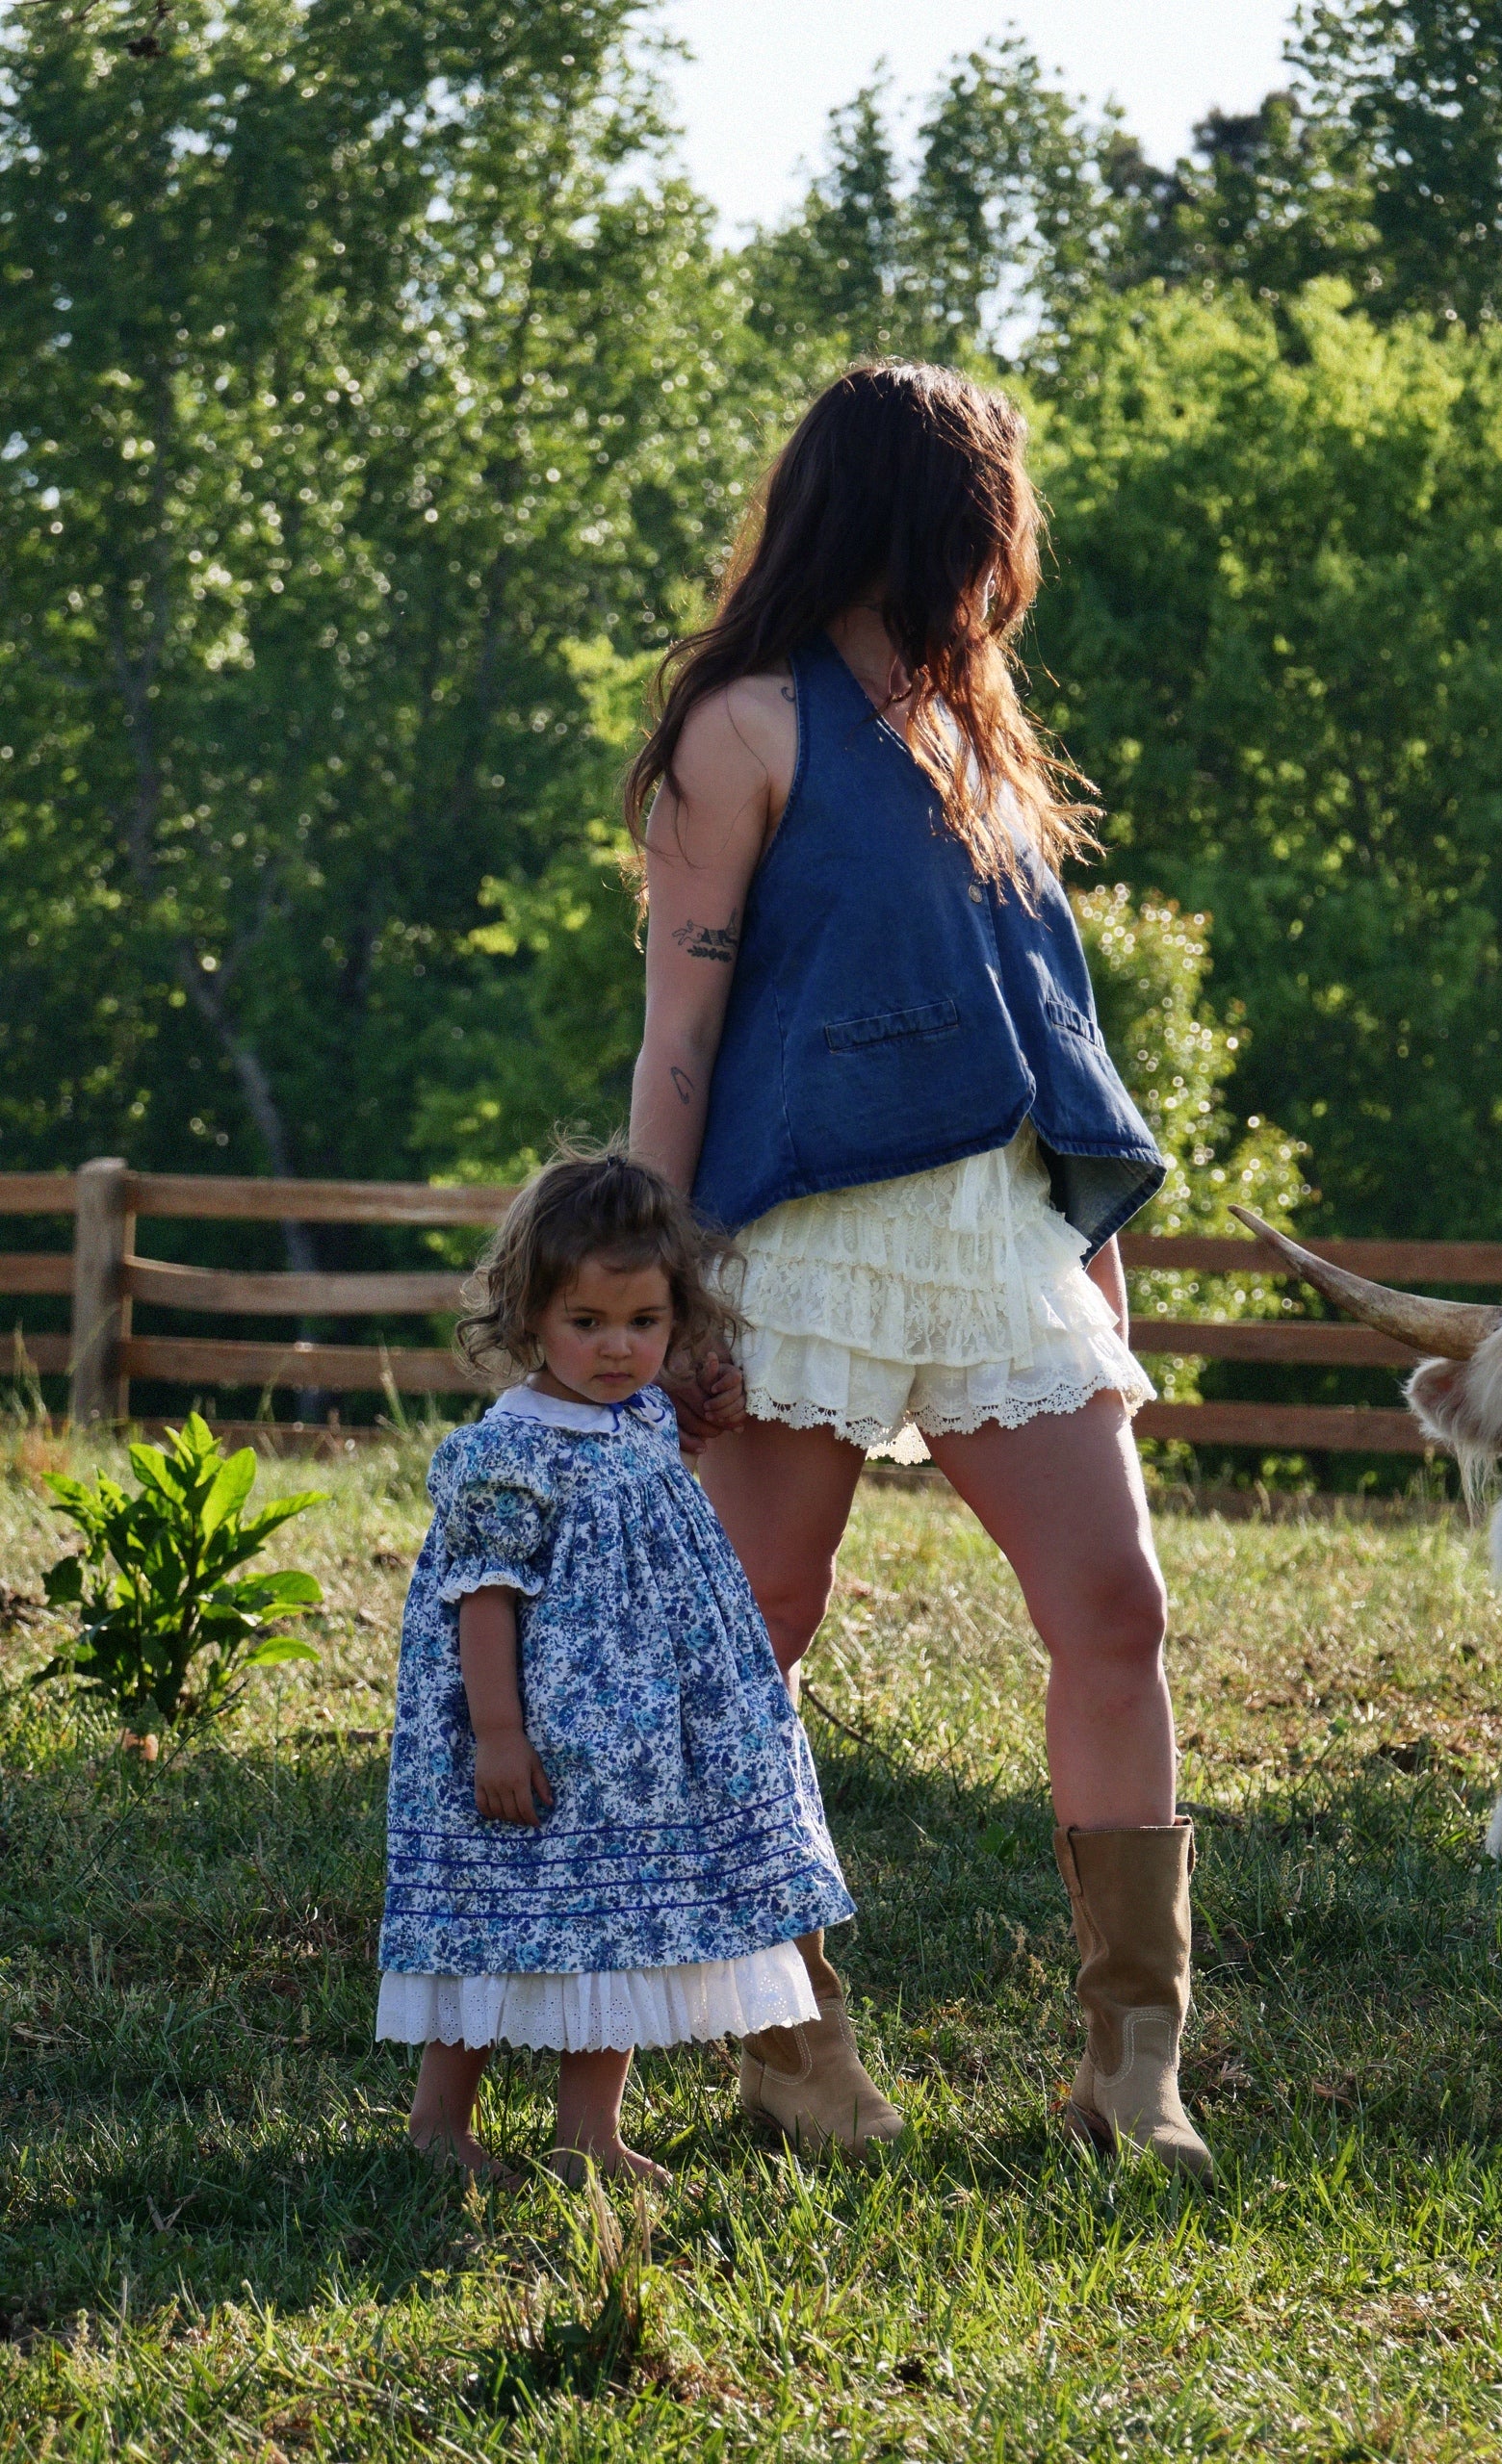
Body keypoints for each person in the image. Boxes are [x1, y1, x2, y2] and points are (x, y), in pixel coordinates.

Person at [625, 361, 1215, 2178]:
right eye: (991, 507)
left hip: (995, 1238)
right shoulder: (740, 726)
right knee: (755, 1638)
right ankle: (788, 2041)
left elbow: (1037, 1012)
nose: (1009, 543)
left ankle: (1135, 2069)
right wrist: (656, 1296)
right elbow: (677, 1045)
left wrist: (1083, 1249)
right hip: (792, 1241)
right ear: (924, 507)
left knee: (1116, 1612)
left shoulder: (977, 724)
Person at [376, 1142, 854, 2181]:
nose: (615, 1348)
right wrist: (498, 1733)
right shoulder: (510, 1446)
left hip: (642, 1747)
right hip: (537, 1736)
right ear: (529, 1316)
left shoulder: (641, 1416)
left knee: (622, 1923)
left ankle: (588, 2130)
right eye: (585, 1323)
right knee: (495, 1920)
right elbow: (483, 1598)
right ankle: (436, 2124)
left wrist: (697, 1419)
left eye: (643, 1323)